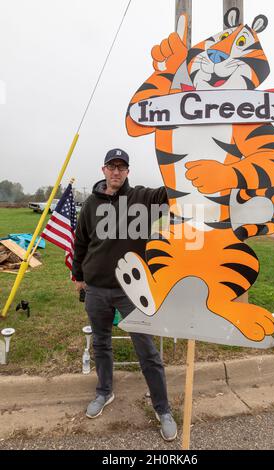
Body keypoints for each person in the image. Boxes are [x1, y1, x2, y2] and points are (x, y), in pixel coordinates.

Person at [72, 148, 177, 442]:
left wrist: (181, 173)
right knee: (101, 344)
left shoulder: (141, 198)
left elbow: (169, 195)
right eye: (112, 166)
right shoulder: (91, 204)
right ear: (103, 169)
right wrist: (79, 276)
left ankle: (163, 408)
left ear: (128, 171)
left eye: (122, 167)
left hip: (133, 292)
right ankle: (105, 391)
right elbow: (80, 242)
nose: (116, 172)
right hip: (96, 289)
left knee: (147, 350)